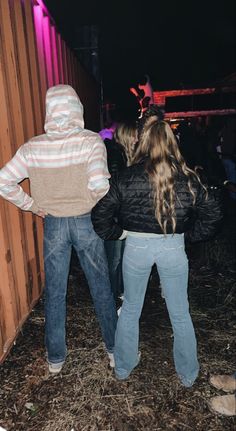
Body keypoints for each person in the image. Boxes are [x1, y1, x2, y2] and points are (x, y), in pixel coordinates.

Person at [91, 118, 223, 385]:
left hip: (137, 248)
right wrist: (189, 235)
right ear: (172, 143)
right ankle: (187, 374)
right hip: (172, 248)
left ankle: (124, 367)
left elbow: (100, 214)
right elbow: (214, 212)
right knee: (180, 311)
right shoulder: (188, 177)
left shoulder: (125, 177)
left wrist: (119, 233)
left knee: (130, 308)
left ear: (144, 142)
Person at [0, 84, 117, 374]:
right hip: (85, 221)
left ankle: (55, 359)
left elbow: (4, 180)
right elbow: (100, 186)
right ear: (78, 110)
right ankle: (115, 350)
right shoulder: (90, 141)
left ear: (49, 112)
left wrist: (30, 205)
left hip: (52, 222)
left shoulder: (32, 147)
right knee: (101, 286)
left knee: (54, 291)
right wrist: (91, 203)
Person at [103, 122, 137, 302]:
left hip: (124, 214)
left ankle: (121, 291)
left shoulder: (131, 155)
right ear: (125, 136)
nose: (137, 138)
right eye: (133, 135)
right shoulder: (115, 155)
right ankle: (111, 294)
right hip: (115, 215)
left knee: (125, 256)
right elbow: (114, 188)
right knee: (114, 258)